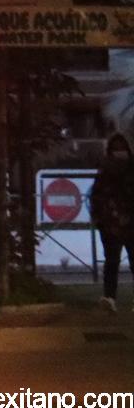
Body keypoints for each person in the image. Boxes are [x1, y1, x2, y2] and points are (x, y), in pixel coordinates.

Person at [91, 134, 134, 313]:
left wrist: (99, 219)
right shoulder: (128, 168)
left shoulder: (104, 171)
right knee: (117, 261)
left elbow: (96, 196)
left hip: (111, 224)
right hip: (124, 222)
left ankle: (110, 297)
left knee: (111, 261)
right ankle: (109, 298)